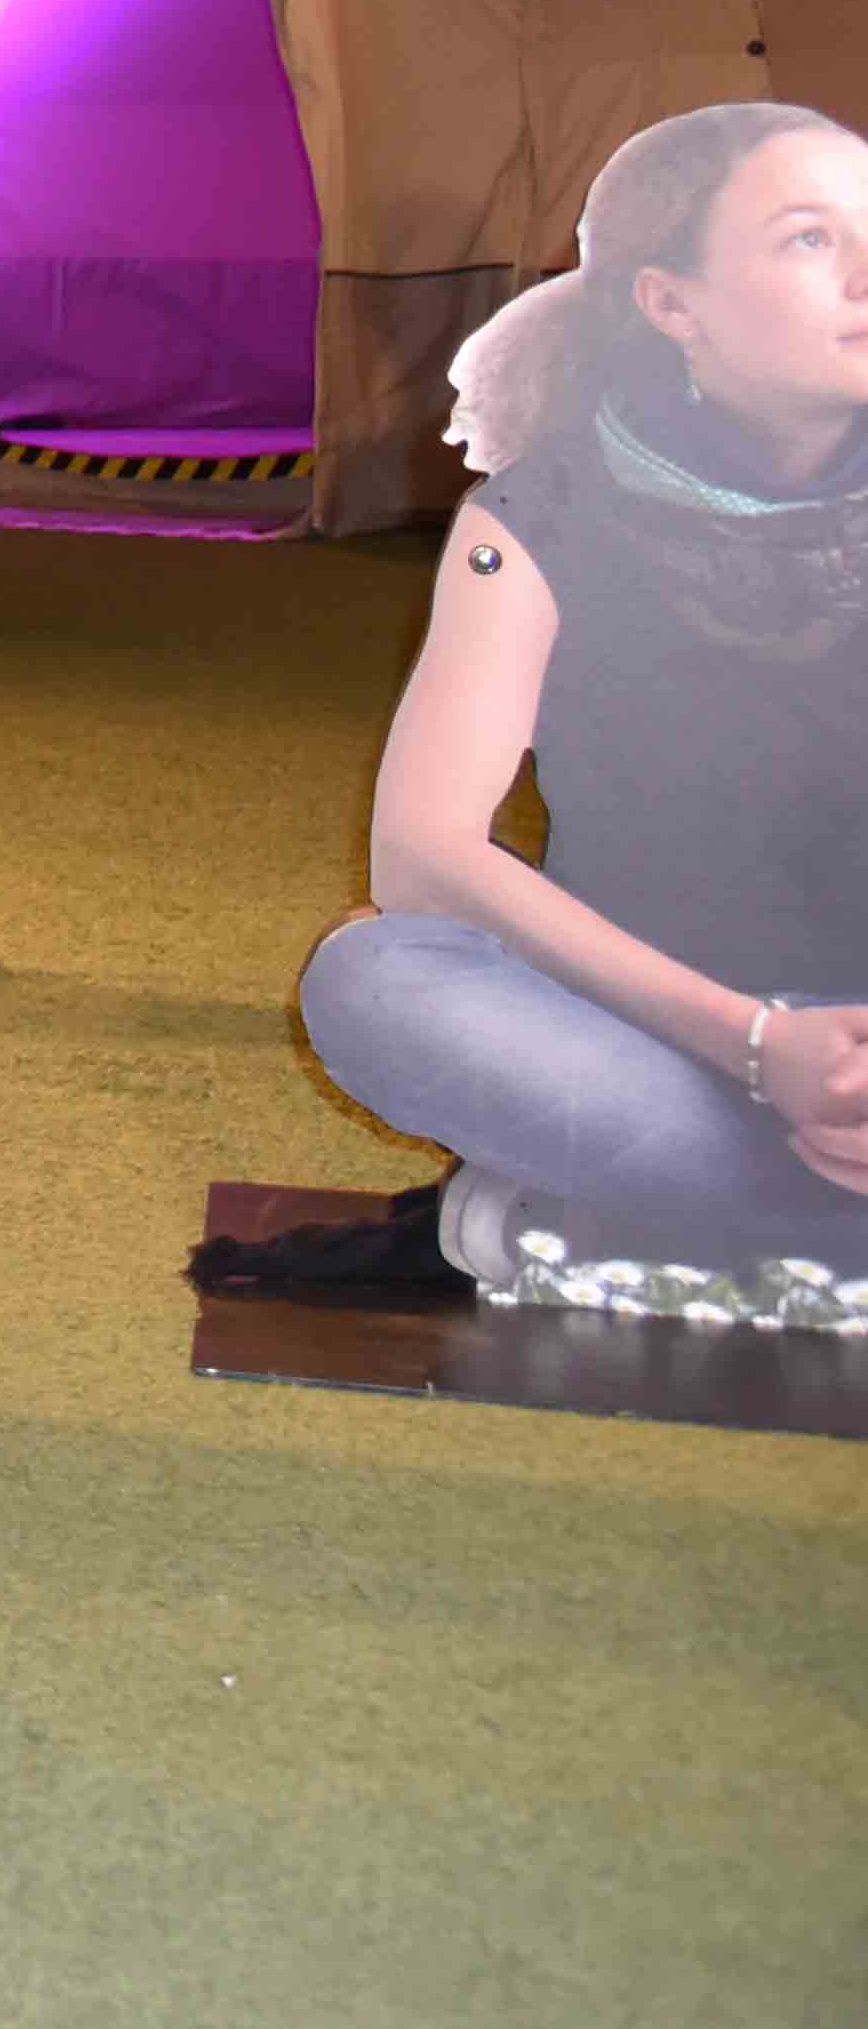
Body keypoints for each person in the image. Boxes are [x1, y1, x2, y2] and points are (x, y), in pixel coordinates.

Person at [284, 101, 868, 1297]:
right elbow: (422, 855)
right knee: (374, 978)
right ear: (671, 302)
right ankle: (781, 1213)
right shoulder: (530, 521)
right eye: (809, 238)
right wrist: (758, 1047)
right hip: (657, 1037)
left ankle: (641, 1217)